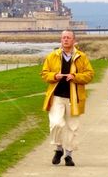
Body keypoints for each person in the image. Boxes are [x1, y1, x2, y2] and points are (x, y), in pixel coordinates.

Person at [41, 30, 95, 167]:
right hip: (57, 96)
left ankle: (69, 155)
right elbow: (44, 74)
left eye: (68, 38)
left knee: (72, 127)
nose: (65, 40)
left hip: (74, 97)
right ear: (61, 40)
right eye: (63, 37)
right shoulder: (52, 56)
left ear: (73, 40)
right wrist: (54, 76)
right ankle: (58, 148)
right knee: (56, 123)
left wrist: (75, 77)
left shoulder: (81, 57)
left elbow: (89, 75)